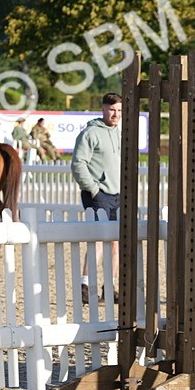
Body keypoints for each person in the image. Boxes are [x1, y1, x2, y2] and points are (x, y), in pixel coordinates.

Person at [71, 93, 122, 303]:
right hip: (98, 195)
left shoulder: (119, 133)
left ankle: (109, 288)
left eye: (119, 110)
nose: (115, 114)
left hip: (118, 195)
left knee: (116, 244)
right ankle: (85, 285)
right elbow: (77, 163)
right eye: (112, 110)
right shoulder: (90, 133)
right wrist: (93, 189)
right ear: (103, 109)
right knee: (99, 241)